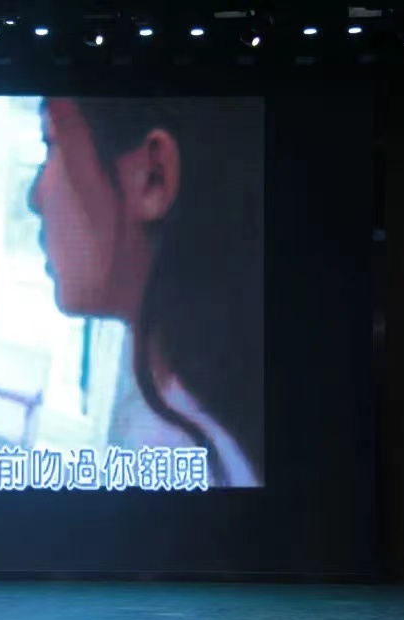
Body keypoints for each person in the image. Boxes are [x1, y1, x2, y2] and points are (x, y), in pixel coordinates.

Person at [28, 97, 263, 488]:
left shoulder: (183, 463)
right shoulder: (216, 427)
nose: (34, 197)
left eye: (52, 145)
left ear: (153, 175)